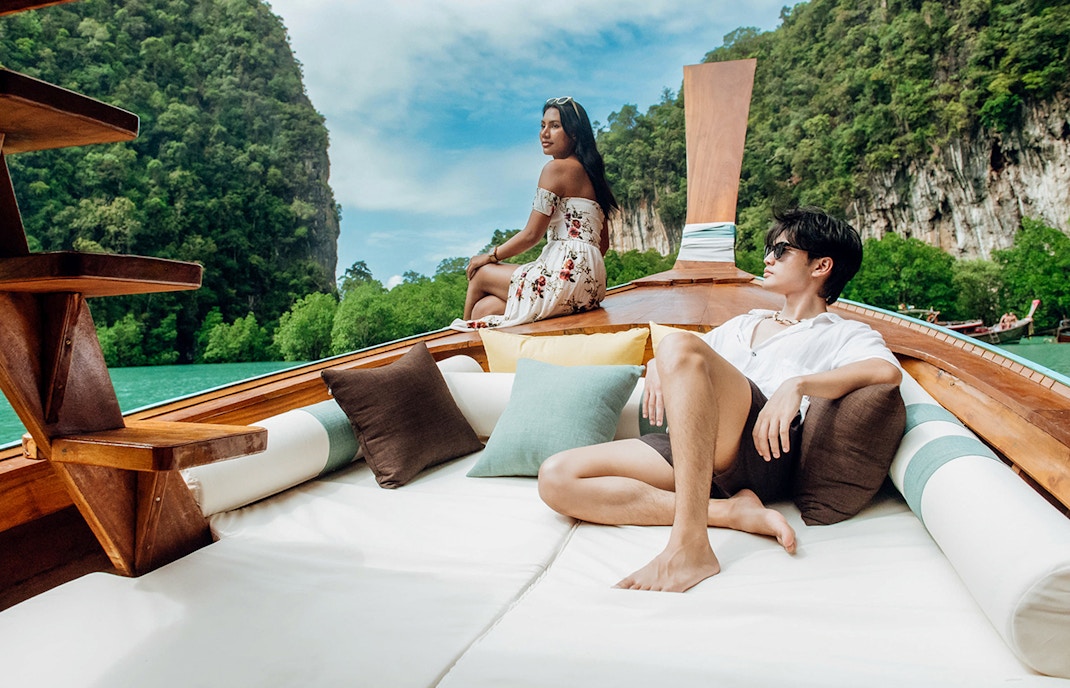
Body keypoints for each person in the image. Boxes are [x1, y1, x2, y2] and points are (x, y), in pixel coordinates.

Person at [537, 207, 902, 593]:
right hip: (696, 443)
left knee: (677, 343)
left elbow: (886, 371)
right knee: (557, 478)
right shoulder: (744, 323)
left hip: (762, 447)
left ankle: (690, 546)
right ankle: (730, 512)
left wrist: (798, 385)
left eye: (781, 251)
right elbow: (683, 358)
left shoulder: (840, 332)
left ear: (821, 266)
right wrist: (658, 365)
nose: (767, 259)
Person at [450, 97, 618, 330]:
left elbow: (531, 235)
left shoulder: (556, 169)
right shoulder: (594, 177)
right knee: (485, 309)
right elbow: (603, 245)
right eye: (542, 126)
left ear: (575, 133)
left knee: (480, 273)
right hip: (592, 287)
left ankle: (458, 341)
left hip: (564, 277)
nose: (545, 133)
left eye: (555, 126)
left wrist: (490, 256)